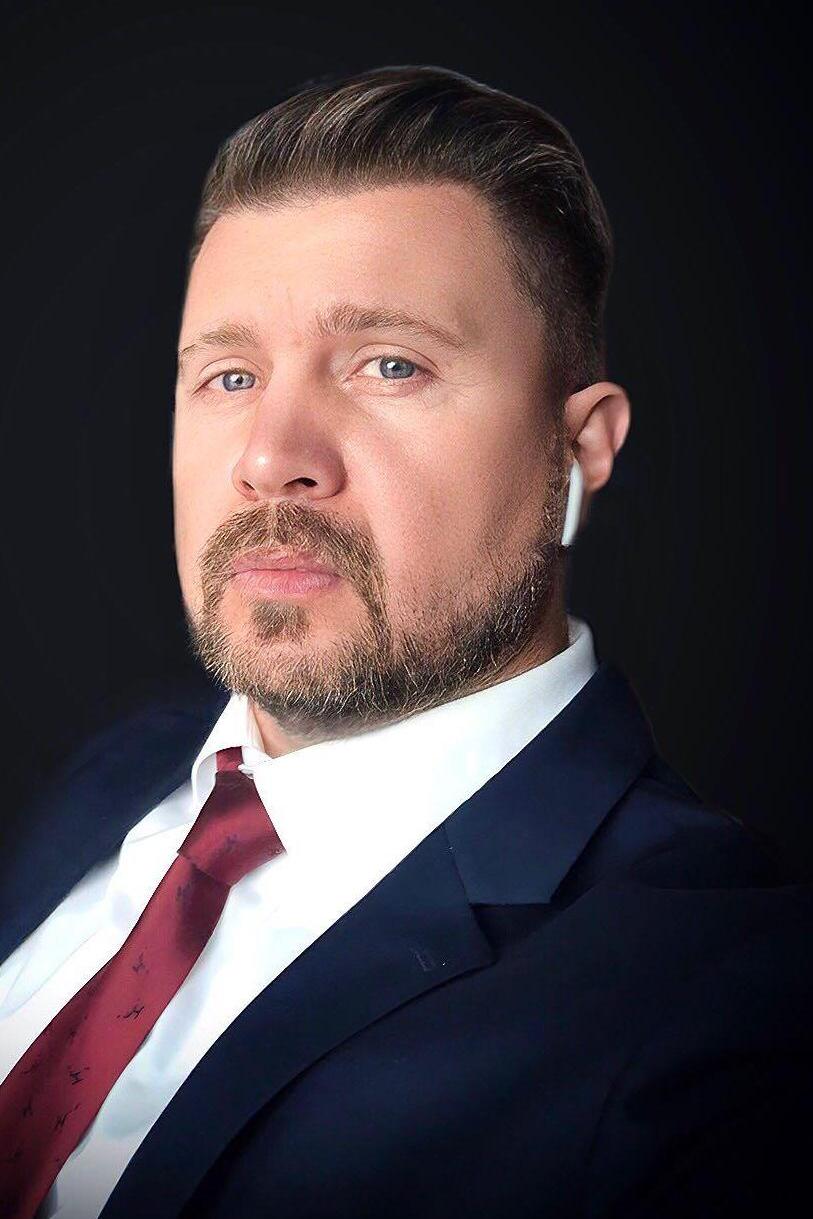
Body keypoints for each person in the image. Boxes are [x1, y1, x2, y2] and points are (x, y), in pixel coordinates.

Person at [0, 63, 809, 1219]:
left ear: (580, 449)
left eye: (391, 365)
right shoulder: (119, 773)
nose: (271, 455)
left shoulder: (722, 1013)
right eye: (229, 375)